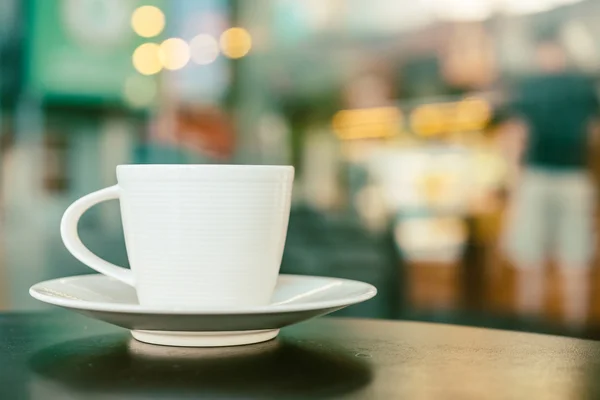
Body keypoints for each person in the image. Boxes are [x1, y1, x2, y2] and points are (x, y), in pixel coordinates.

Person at [501, 39, 599, 327]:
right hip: (570, 178)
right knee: (569, 263)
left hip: (550, 178)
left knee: (547, 262)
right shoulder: (582, 87)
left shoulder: (531, 87)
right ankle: (570, 338)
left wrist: (513, 186)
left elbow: (514, 137)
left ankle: (539, 335)